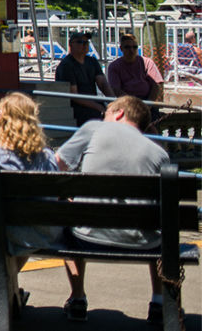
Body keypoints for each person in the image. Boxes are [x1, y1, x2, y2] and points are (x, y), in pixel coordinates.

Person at [55, 95, 170, 324]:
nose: (103, 117)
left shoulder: (94, 129)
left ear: (118, 113)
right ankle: (158, 301)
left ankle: (78, 298)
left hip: (87, 238)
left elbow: (56, 164)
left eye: (106, 112)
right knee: (157, 220)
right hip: (144, 244)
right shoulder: (160, 154)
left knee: (66, 210)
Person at [0, 93, 61, 314]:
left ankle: (4, 290)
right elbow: (53, 199)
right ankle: (10, 290)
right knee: (24, 222)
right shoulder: (47, 157)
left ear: (1, 121)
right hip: (37, 233)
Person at [54, 33, 112, 125]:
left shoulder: (92, 61)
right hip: (76, 107)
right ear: (71, 44)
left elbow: (103, 84)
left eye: (86, 42)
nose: (85, 44)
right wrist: (99, 107)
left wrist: (114, 102)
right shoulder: (66, 66)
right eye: (80, 42)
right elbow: (74, 96)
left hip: (93, 103)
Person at [106, 33, 163, 103]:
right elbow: (116, 89)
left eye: (134, 47)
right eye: (127, 47)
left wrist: (149, 104)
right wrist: (133, 104)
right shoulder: (114, 66)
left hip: (147, 101)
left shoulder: (147, 62)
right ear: (121, 48)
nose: (131, 50)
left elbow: (156, 85)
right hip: (125, 102)